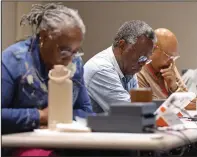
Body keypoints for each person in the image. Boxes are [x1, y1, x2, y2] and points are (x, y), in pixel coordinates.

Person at [2, 3, 93, 156]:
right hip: (22, 143)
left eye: (75, 51)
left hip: (64, 142)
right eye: (64, 50)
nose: (69, 58)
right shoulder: (14, 60)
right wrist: (39, 116)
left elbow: (86, 112)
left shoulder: (75, 64)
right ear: (44, 37)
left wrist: (59, 117)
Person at [84, 20, 157, 113]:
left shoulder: (129, 69)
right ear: (122, 46)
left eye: (146, 59)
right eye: (141, 57)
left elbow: (139, 106)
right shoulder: (101, 69)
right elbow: (131, 112)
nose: (142, 63)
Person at [137, 28, 188, 99]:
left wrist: (174, 87)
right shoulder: (138, 71)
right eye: (168, 56)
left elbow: (190, 101)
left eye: (173, 57)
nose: (172, 62)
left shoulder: (169, 65)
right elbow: (149, 107)